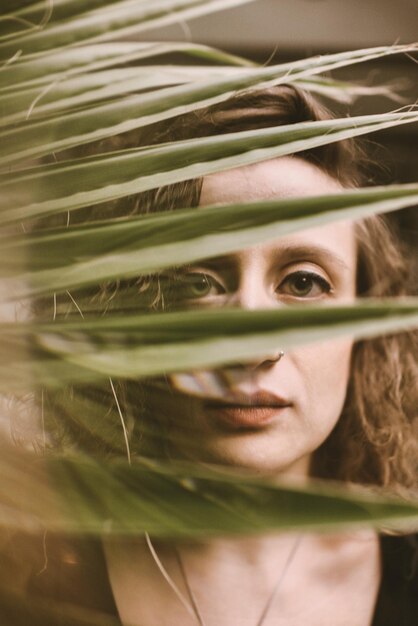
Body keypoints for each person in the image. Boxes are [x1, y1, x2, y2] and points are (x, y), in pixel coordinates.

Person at [4, 86, 418, 626]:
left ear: (366, 326)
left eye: (303, 282)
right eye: (196, 281)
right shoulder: (26, 571)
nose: (249, 346)